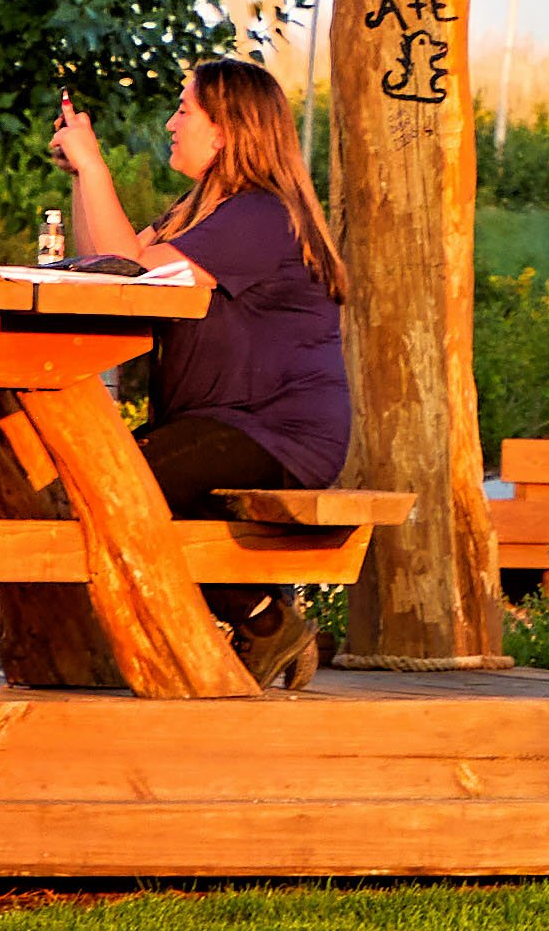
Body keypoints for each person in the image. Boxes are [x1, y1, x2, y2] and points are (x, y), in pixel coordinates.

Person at [47, 59, 353, 688]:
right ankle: (265, 623)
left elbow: (125, 265)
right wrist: (84, 174)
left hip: (275, 432)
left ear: (226, 132)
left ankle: (256, 625)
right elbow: (111, 266)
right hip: (221, 425)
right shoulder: (200, 211)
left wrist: (96, 164)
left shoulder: (260, 216)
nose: (170, 122)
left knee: (118, 481)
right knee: (103, 477)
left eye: (185, 110)